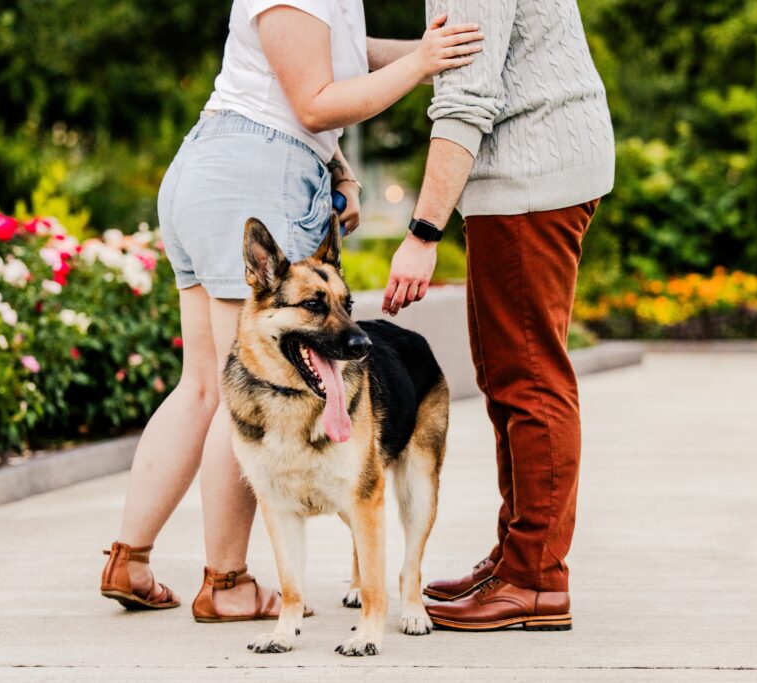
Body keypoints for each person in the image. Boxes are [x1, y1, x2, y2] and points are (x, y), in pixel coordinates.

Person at [100, 1, 484, 621]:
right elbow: (312, 103)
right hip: (257, 170)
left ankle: (130, 559)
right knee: (247, 388)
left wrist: (341, 163)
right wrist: (420, 62)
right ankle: (227, 584)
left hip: (214, 165)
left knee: (201, 385)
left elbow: (329, 62)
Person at [383, 0, 614, 632]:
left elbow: (465, 98)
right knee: (507, 375)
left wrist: (423, 232)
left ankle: (536, 579)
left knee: (530, 378)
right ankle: (518, 555)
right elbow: (452, 56)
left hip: (529, 178)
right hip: (531, 174)